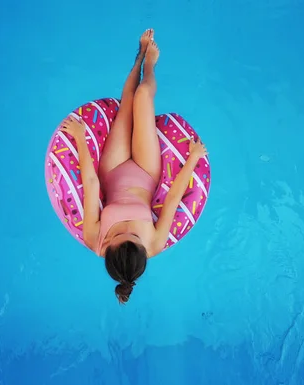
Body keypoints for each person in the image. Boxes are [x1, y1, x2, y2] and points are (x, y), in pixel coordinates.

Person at [61, 29, 207, 304]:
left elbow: (91, 186)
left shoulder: (94, 239)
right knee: (142, 97)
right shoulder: (153, 243)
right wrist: (193, 159)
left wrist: (80, 138)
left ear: (108, 247)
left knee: (126, 102)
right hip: (145, 171)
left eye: (118, 233)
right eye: (133, 235)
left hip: (112, 171)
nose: (126, 229)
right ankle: (150, 65)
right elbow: (174, 198)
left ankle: (140, 56)